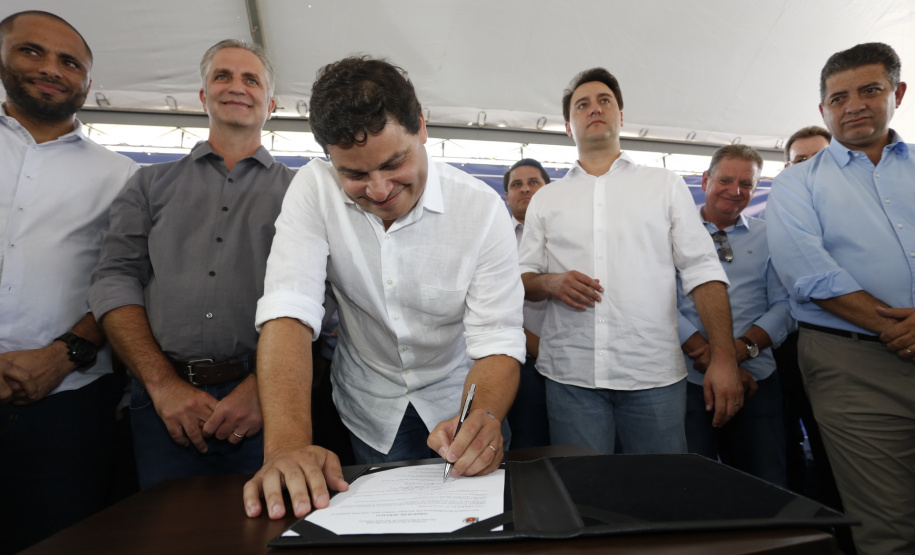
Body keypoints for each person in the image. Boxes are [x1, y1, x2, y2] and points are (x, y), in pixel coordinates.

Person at [243, 56, 525, 520]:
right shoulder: (312, 189)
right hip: (369, 407)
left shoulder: (482, 211)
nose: (378, 190)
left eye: (395, 163)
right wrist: (288, 447)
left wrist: (486, 418)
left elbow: (497, 340)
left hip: (461, 399)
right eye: (354, 174)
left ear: (421, 128)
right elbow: (288, 311)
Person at [89, 39, 295, 489]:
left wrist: (266, 387)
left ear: (271, 103)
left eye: (251, 79)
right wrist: (162, 385)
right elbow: (114, 279)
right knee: (168, 531)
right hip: (163, 402)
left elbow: (324, 295)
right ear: (203, 96)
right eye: (222, 76)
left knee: (264, 532)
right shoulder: (148, 185)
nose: (236, 87)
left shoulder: (302, 192)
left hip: (267, 401)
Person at [518, 67, 743, 456]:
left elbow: (702, 270)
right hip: (570, 376)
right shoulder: (546, 198)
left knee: (662, 495)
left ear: (621, 117)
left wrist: (724, 358)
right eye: (581, 104)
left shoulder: (664, 184)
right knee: (584, 497)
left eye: (604, 100)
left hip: (652, 374)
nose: (594, 109)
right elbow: (522, 278)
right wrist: (551, 283)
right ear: (568, 126)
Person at [767, 42, 913, 555]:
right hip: (854, 364)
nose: (853, 106)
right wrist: (899, 327)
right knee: (888, 525)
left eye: (869, 90)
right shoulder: (796, 185)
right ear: (823, 108)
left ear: (897, 93)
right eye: (838, 97)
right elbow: (810, 275)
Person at [0, 10, 137, 553]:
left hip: (66, 398)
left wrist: (64, 355)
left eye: (69, 62)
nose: (51, 69)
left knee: (58, 537)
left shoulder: (121, 175)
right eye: (33, 51)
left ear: (87, 81)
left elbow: (125, 280)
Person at [678, 145, 793, 486]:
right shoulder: (673, 235)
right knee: (692, 487)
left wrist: (738, 354)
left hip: (757, 381)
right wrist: (716, 361)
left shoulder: (771, 236)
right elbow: (663, 304)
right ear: (704, 180)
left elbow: (785, 305)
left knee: (766, 486)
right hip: (688, 382)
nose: (735, 190)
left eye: (746, 183)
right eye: (726, 179)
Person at [504, 158, 550, 448]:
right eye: (516, 185)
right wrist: (537, 346)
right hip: (521, 364)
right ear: (507, 196)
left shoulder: (568, 235)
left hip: (575, 361)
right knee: (529, 448)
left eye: (534, 182)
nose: (525, 190)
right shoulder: (495, 239)